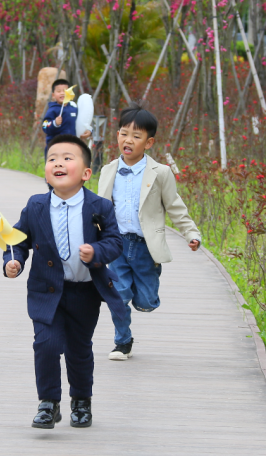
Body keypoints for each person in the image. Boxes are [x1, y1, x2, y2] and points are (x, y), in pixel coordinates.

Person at [4, 134, 124, 429]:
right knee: (45, 344)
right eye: (52, 159)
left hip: (84, 291)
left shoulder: (99, 207)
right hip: (45, 290)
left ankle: (82, 401)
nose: (58, 163)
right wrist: (14, 261)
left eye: (67, 158)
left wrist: (96, 251)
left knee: (79, 349)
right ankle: (48, 402)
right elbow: (18, 240)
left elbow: (115, 242)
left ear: (85, 173)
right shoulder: (36, 206)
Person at [97, 104, 202, 361]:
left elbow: (175, 206)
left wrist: (191, 233)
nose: (128, 140)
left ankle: (142, 290)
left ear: (149, 142)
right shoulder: (108, 170)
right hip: (117, 244)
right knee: (119, 296)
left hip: (145, 246)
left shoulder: (161, 173)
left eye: (136, 136)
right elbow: (98, 207)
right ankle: (122, 342)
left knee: (145, 300)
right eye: (123, 133)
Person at [41, 79, 90, 152]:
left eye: (65, 91)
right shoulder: (52, 110)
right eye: (58, 91)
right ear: (53, 95)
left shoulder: (74, 109)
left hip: (72, 146)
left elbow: (82, 122)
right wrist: (55, 123)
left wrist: (88, 130)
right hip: (55, 147)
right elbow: (45, 126)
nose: (62, 93)